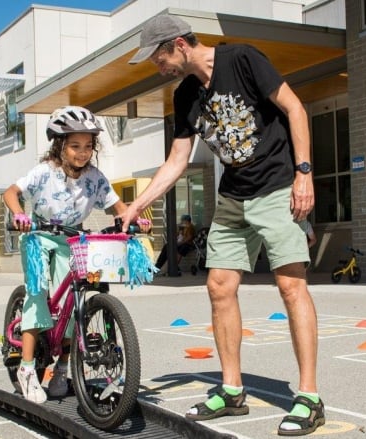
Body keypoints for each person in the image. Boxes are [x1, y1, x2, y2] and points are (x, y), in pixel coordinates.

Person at [125, 15, 323, 435]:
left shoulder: (243, 59)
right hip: (233, 195)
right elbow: (177, 161)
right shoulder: (185, 96)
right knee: (219, 287)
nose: (157, 67)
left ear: (179, 44)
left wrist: (303, 172)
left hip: (276, 186)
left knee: (290, 286)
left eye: (159, 58)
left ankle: (308, 396)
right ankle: (232, 390)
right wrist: (136, 204)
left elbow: (295, 109)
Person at [3, 106, 148, 404]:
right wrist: (18, 214)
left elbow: (119, 208)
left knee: (74, 301)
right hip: (39, 236)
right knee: (38, 295)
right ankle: (28, 369)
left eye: (88, 146)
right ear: (60, 145)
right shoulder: (44, 172)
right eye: (75, 146)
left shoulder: (95, 178)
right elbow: (10, 192)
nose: (82, 153)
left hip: (72, 239)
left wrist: (135, 218)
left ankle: (62, 369)